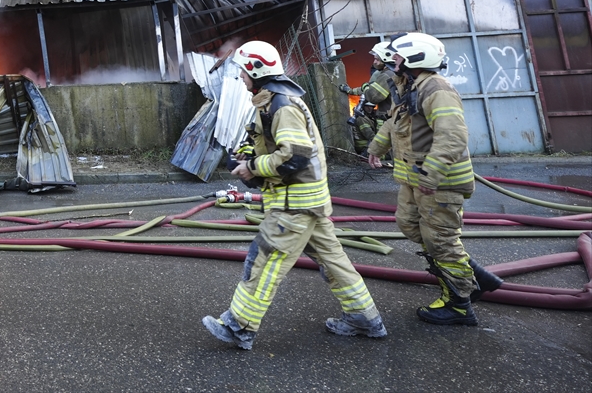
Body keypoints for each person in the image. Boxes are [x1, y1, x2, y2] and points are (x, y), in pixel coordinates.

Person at [202, 40, 387, 350]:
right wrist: (246, 153)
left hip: (294, 205)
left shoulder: (282, 105)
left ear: (256, 72)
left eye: (243, 73)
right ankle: (364, 318)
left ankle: (239, 326)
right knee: (334, 261)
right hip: (307, 202)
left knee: (265, 259)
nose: (240, 78)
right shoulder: (270, 101)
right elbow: (267, 141)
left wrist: (254, 168)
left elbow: (295, 155)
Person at [366, 32, 502, 325]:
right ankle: (470, 274)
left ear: (416, 58)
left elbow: (452, 135)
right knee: (409, 224)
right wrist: (377, 146)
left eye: (399, 56)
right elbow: (394, 122)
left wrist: (432, 173)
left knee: (440, 240)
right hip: (415, 180)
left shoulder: (436, 88)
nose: (394, 61)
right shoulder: (411, 85)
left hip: (438, 183)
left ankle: (459, 304)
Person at [338, 41, 396, 155]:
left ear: (386, 59)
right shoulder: (391, 74)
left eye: (377, 59)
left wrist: (365, 86)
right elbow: (368, 90)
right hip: (393, 118)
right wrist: (350, 90)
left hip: (392, 119)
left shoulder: (386, 75)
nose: (374, 62)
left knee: (394, 151)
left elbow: (373, 96)